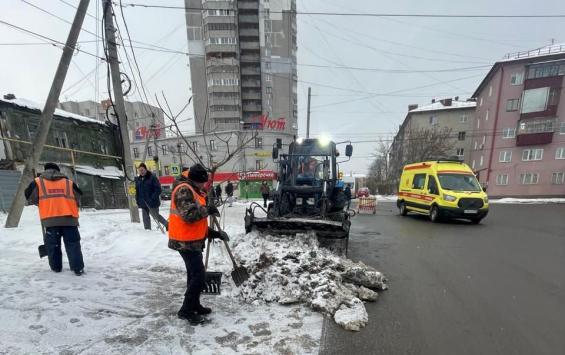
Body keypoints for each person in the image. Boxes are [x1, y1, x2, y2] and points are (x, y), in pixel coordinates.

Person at [168, 163, 228, 325]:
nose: (204, 185)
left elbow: (198, 223)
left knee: (194, 275)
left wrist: (215, 233)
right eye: (202, 182)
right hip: (184, 242)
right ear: (195, 179)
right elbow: (189, 216)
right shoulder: (183, 190)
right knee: (199, 276)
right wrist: (208, 210)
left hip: (191, 241)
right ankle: (186, 310)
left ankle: (194, 305)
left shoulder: (193, 189)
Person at [24, 162, 85, 275]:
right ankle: (78, 268)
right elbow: (79, 195)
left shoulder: (37, 182)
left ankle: (56, 268)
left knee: (53, 245)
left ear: (45, 170)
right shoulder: (68, 183)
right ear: (58, 171)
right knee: (73, 244)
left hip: (50, 220)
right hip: (69, 219)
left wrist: (39, 201)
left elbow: (28, 195)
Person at [135, 163, 168, 231]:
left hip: (152, 202)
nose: (141, 172)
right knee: (145, 218)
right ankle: (148, 231)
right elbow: (137, 191)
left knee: (155, 216)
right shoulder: (138, 180)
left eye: (142, 170)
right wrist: (138, 200)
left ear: (146, 169)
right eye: (140, 170)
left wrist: (151, 198)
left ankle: (167, 224)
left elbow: (158, 189)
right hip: (143, 202)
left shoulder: (152, 177)